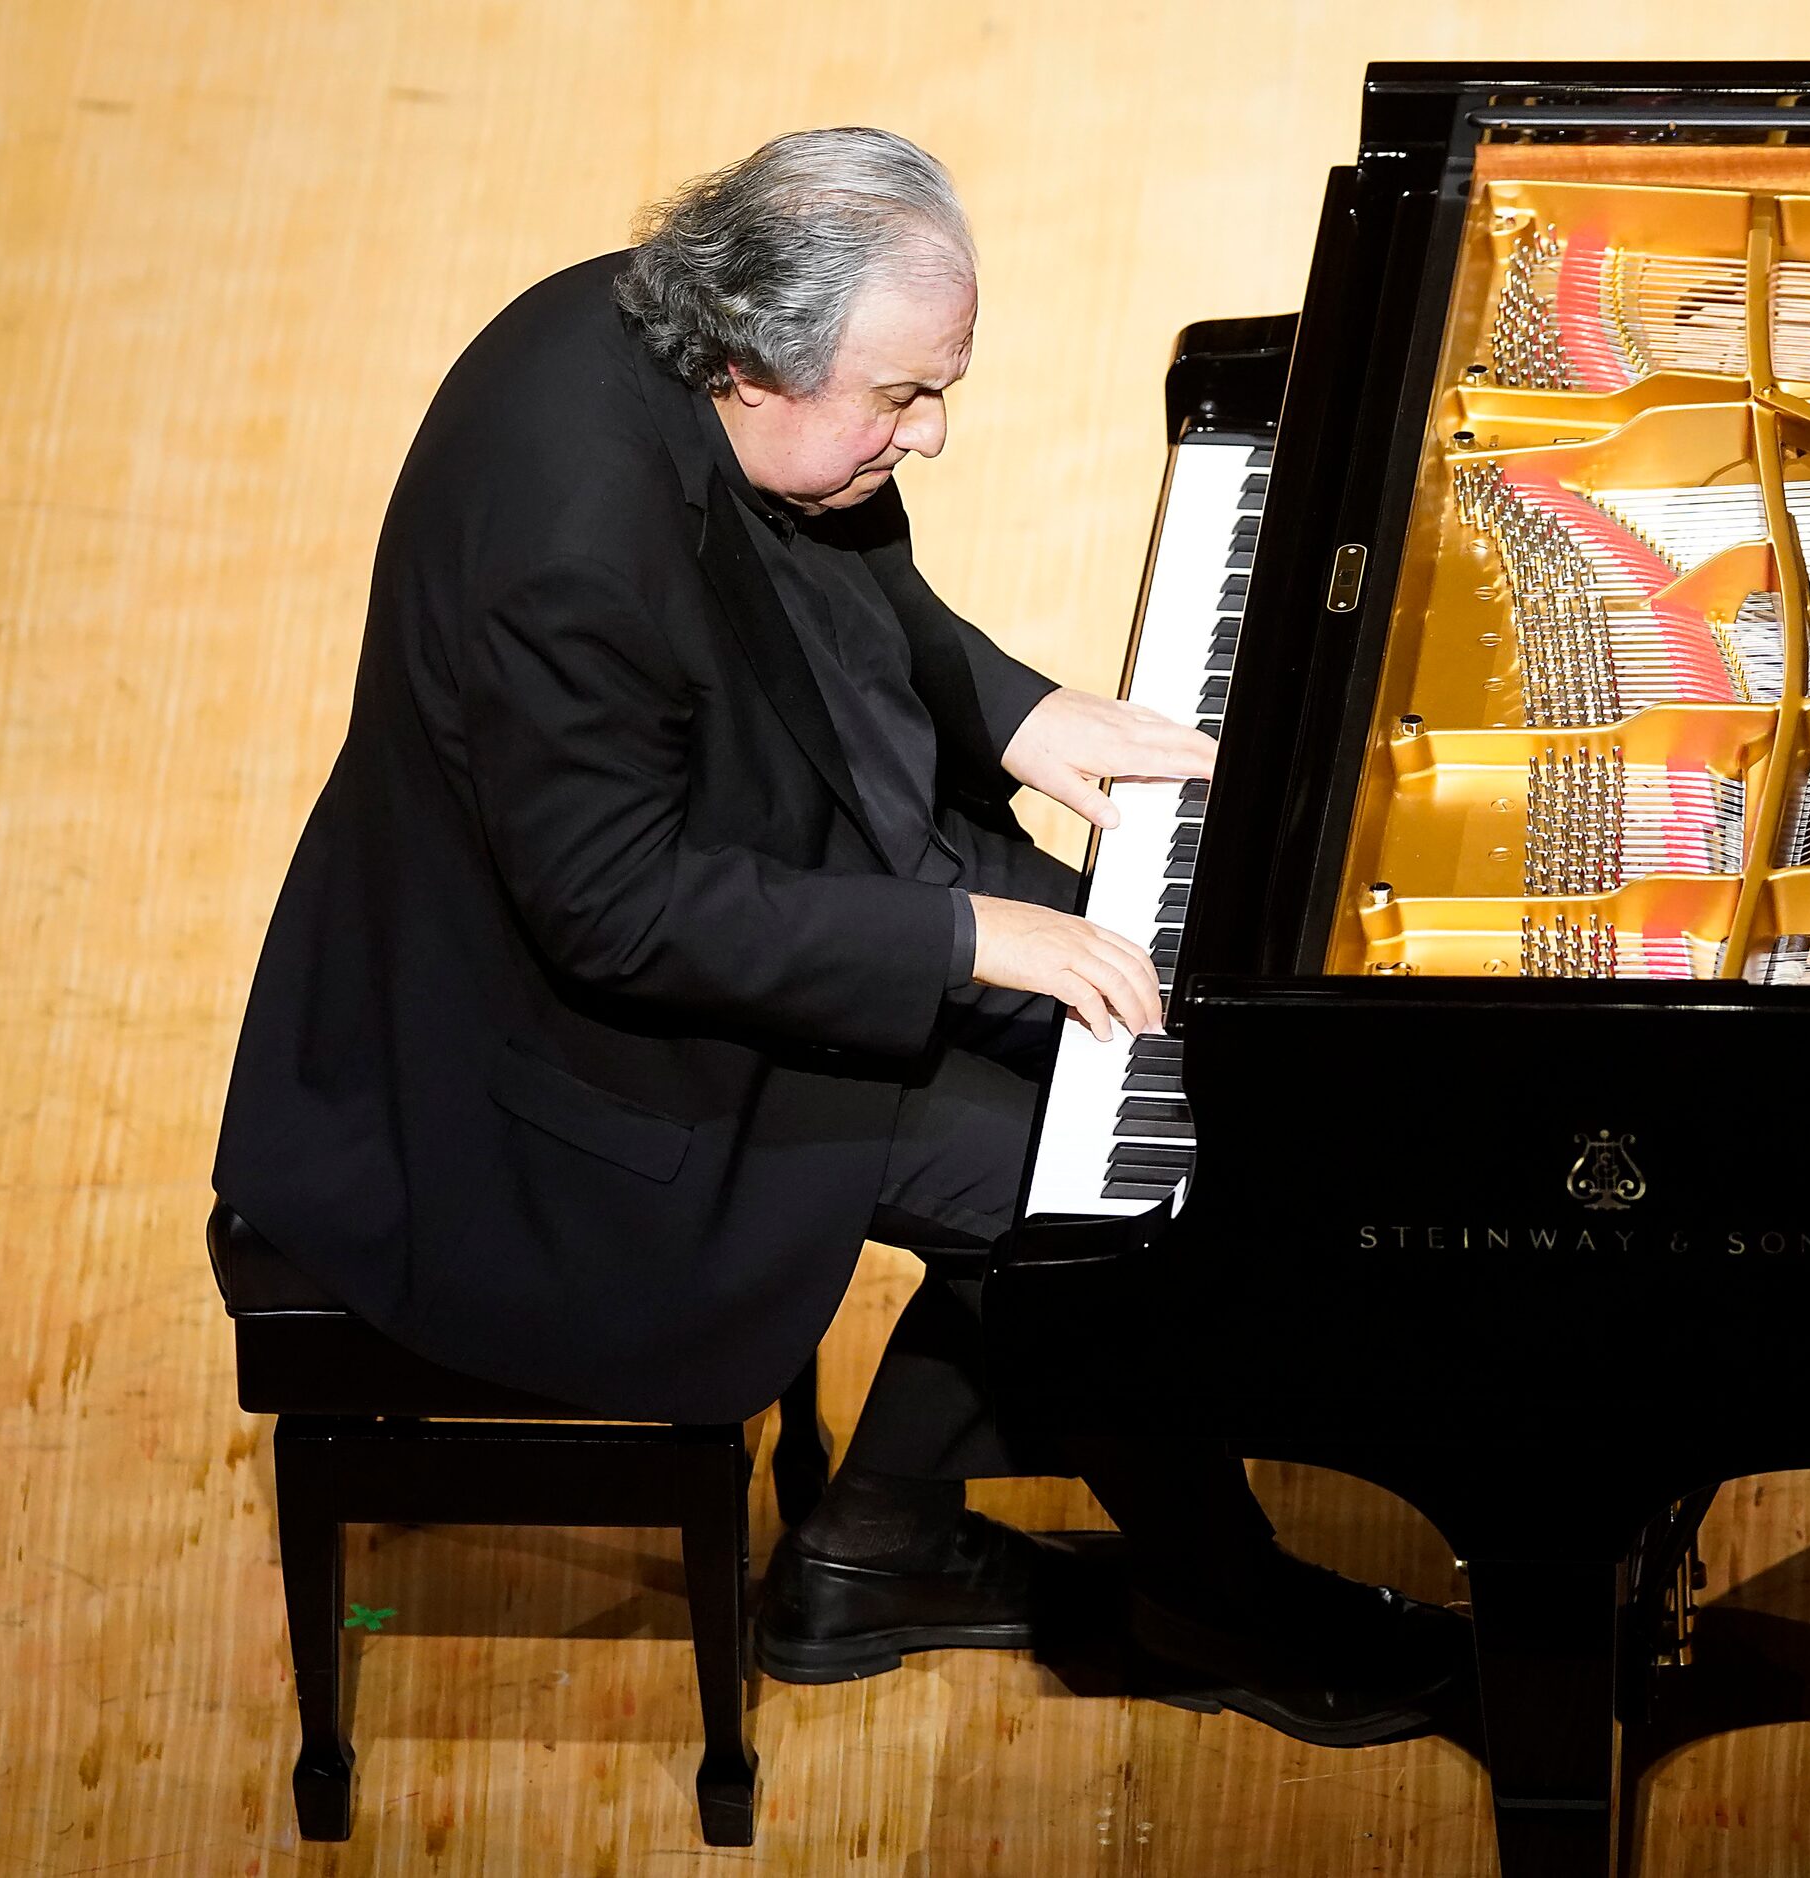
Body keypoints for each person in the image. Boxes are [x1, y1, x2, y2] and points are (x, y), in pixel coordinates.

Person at [215, 127, 1459, 1744]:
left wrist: (1015, 714)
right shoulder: (569, 548)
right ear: (749, 360)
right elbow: (613, 913)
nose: (928, 434)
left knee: (1153, 1018)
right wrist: (961, 935)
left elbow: (834, 569)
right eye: (900, 397)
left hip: (733, 871)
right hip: (557, 1065)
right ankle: (1221, 1599)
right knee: (1084, 1184)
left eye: (941, 383)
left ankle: (873, 1546)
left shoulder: (677, 339)